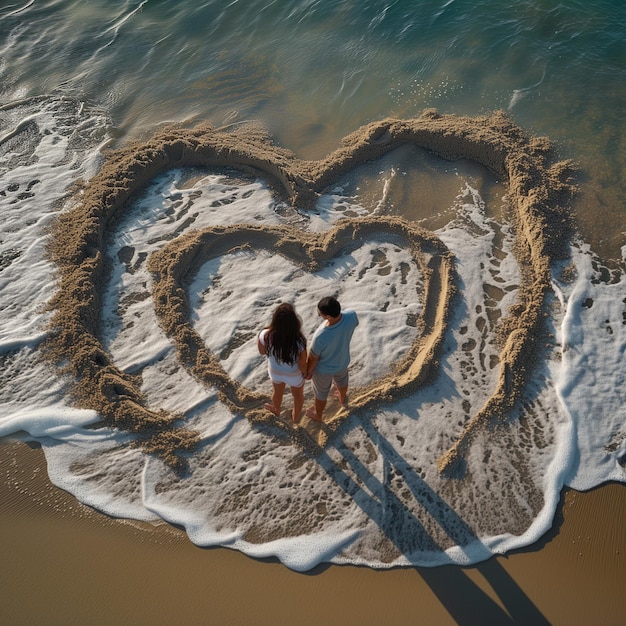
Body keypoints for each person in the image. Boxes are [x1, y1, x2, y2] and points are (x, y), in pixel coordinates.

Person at [305, 296, 359, 422]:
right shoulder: (351, 315)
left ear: (328, 316)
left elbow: (313, 358)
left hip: (323, 370)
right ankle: (341, 398)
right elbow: (353, 324)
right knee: (342, 382)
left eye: (320, 314)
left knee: (321, 394)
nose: (319, 315)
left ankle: (317, 415)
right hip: (342, 362)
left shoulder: (321, 336)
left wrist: (308, 372)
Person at [257, 303, 307, 424]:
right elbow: (302, 362)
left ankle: (276, 409)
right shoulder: (298, 341)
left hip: (275, 372)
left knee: (277, 392)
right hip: (294, 374)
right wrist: (305, 372)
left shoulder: (265, 335)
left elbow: (262, 352)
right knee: (298, 396)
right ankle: (295, 417)